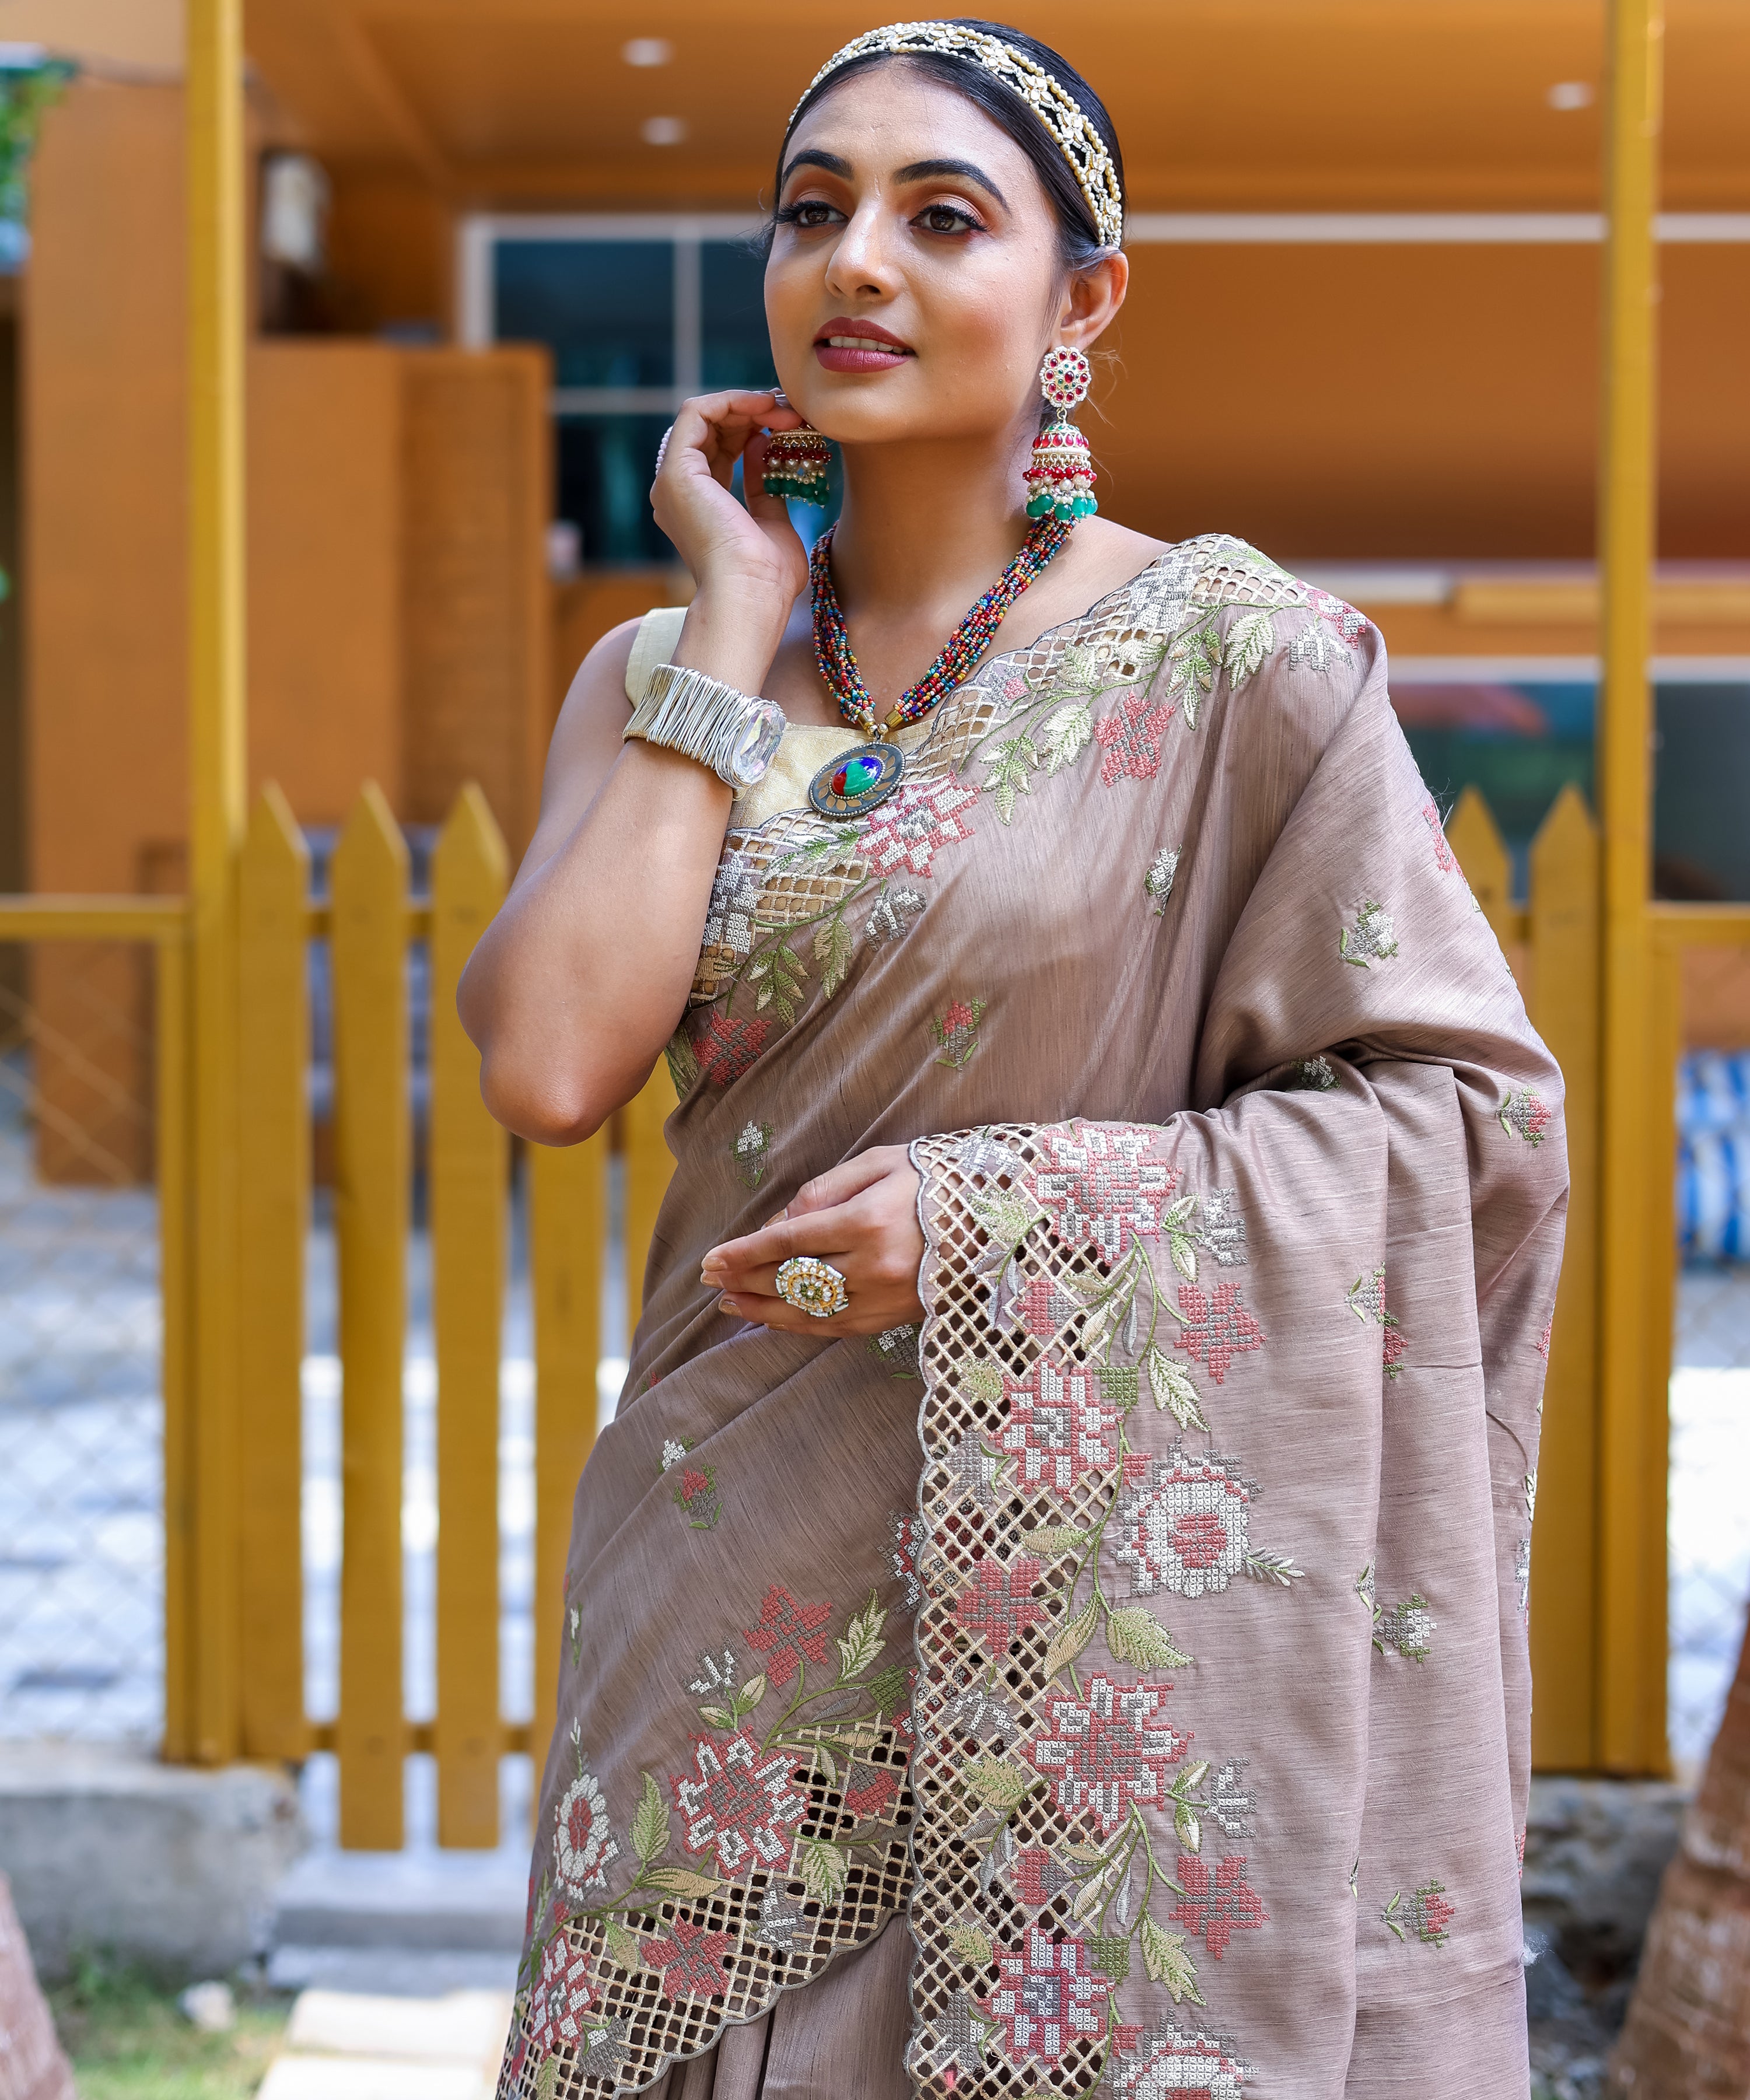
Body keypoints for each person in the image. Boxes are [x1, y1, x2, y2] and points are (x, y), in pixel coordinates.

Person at [461, 20, 1566, 2099]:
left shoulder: (1242, 662)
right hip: (725, 1584)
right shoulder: (660, 670)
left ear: (1086, 300)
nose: (856, 261)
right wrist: (732, 617)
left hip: (1084, 1630)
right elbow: (545, 1063)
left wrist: (1001, 1224)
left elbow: (1462, 1122)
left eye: (944, 216)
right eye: (812, 211)